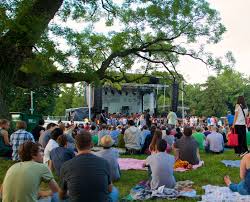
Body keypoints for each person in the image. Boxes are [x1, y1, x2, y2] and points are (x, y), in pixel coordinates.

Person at [59, 130, 119, 202]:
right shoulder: (104, 163)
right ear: (91, 144)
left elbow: (62, 195)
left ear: (76, 145)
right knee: (114, 191)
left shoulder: (66, 165)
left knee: (56, 195)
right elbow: (109, 189)